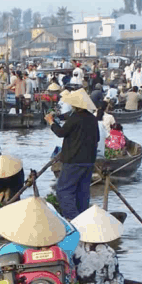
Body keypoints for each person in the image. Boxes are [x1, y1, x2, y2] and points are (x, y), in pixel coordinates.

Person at [45, 89, 99, 219]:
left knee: (63, 191)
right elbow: (96, 139)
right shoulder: (92, 119)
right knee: (82, 192)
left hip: (74, 160)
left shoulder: (75, 118)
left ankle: (74, 220)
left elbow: (61, 133)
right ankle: (83, 218)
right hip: (89, 161)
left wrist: (51, 122)